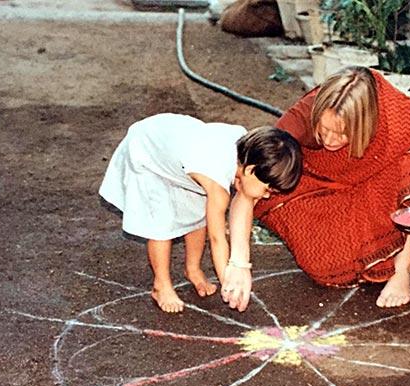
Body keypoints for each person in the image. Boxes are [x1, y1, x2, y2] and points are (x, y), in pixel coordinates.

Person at [221, 67, 410, 312]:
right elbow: (248, 188)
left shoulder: (396, 116)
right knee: (325, 267)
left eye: (342, 133)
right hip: (321, 181)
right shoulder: (301, 118)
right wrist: (239, 263)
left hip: (380, 181)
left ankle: (401, 268)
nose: (330, 140)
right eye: (323, 130)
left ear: (367, 124)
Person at [99, 113, 302, 313]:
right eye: (267, 190)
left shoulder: (249, 153)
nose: (266, 196)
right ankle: (161, 285)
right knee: (160, 223)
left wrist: (240, 264)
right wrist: (228, 281)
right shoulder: (216, 180)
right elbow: (216, 238)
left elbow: (244, 206)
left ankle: (193, 269)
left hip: (176, 149)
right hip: (148, 151)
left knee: (196, 213)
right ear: (250, 171)